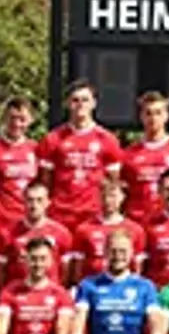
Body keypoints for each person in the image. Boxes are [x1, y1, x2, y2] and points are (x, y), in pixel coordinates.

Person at [37, 78, 122, 232]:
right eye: (75, 100)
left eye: (85, 100)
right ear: (67, 104)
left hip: (93, 215)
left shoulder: (108, 140)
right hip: (60, 214)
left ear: (93, 103)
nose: (80, 104)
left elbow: (113, 182)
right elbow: (45, 181)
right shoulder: (53, 139)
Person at [120, 91, 169, 227]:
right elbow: (124, 191)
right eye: (148, 113)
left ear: (167, 116)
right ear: (141, 117)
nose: (153, 118)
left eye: (158, 112)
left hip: (167, 223)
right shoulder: (129, 153)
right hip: (137, 221)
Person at [66, 175, 147, 286]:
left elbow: (138, 267)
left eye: (113, 196)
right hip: (93, 286)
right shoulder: (84, 229)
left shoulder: (135, 230)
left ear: (122, 197)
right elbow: (77, 268)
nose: (108, 200)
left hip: (124, 287)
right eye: (105, 196)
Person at [0, 96, 41, 228]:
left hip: (28, 220)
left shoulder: (36, 148)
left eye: (22, 119)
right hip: (0, 221)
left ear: (31, 120)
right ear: (5, 118)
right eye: (12, 118)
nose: (16, 124)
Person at [0, 180, 73, 287]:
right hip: (18, 295)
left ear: (48, 202)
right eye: (30, 200)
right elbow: (0, 270)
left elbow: (65, 272)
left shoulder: (62, 233)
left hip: (49, 296)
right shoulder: (7, 232)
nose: (34, 205)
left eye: (39, 200)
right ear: (23, 202)